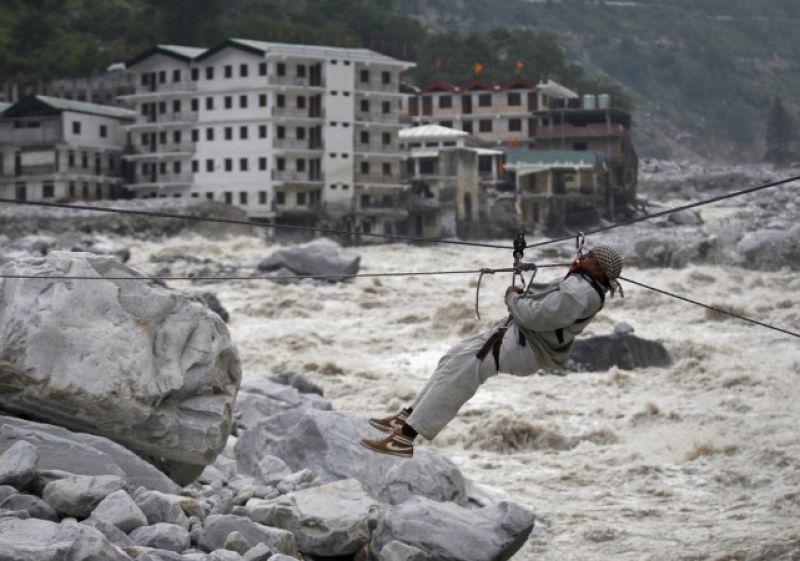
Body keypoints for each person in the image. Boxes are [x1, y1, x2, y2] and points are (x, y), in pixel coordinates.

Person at [360, 245, 624, 458]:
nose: (584, 256)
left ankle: (405, 438)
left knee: (462, 374)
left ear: (599, 270)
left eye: (590, 256)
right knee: (453, 358)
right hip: (518, 336)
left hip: (525, 346)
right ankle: (406, 416)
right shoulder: (583, 283)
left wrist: (512, 298)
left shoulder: (580, 292)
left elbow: (539, 317)